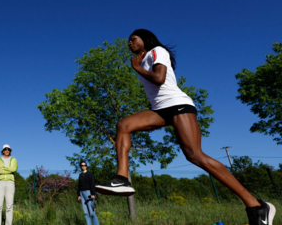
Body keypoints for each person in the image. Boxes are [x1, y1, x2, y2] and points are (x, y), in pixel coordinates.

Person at [95, 29, 276, 225]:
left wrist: (136, 68)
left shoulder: (157, 51)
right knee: (123, 125)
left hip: (178, 106)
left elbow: (160, 78)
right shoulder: (145, 58)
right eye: (128, 41)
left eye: (133, 39)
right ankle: (122, 179)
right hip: (161, 110)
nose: (129, 43)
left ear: (145, 39)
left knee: (194, 155)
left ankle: (256, 206)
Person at [0, 144, 18, 225]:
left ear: (10, 151)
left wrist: (3, 168)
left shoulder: (14, 159)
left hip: (10, 182)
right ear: (2, 151)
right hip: (0, 182)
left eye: (8, 149)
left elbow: (14, 169)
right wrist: (9, 170)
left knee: (9, 205)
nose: (7, 150)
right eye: (5, 149)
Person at [77, 161, 99, 225]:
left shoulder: (89, 174)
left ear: (86, 166)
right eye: (82, 165)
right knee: (86, 212)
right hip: (82, 193)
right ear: (80, 166)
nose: (83, 166)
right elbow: (79, 186)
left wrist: (93, 194)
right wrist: (78, 195)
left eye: (84, 165)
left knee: (91, 211)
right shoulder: (80, 175)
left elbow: (92, 184)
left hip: (88, 193)